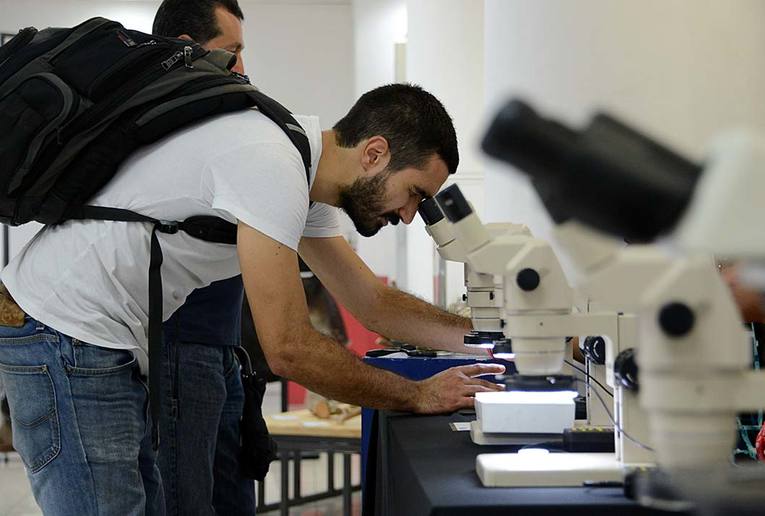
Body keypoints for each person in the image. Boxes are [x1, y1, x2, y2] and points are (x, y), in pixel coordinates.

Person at [0, 78, 504, 514]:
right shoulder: (269, 163)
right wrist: (417, 393)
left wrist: (500, 339)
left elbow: (370, 302)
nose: (411, 214)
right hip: (60, 332)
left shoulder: (302, 171)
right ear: (374, 153)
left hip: (96, 339)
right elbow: (288, 347)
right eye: (415, 192)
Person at [153, 1, 256, 514]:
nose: (242, 67)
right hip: (180, 346)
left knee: (232, 498)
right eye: (231, 52)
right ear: (190, 49)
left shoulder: (226, 118)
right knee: (188, 502)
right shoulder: (163, 121)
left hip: (221, 346)